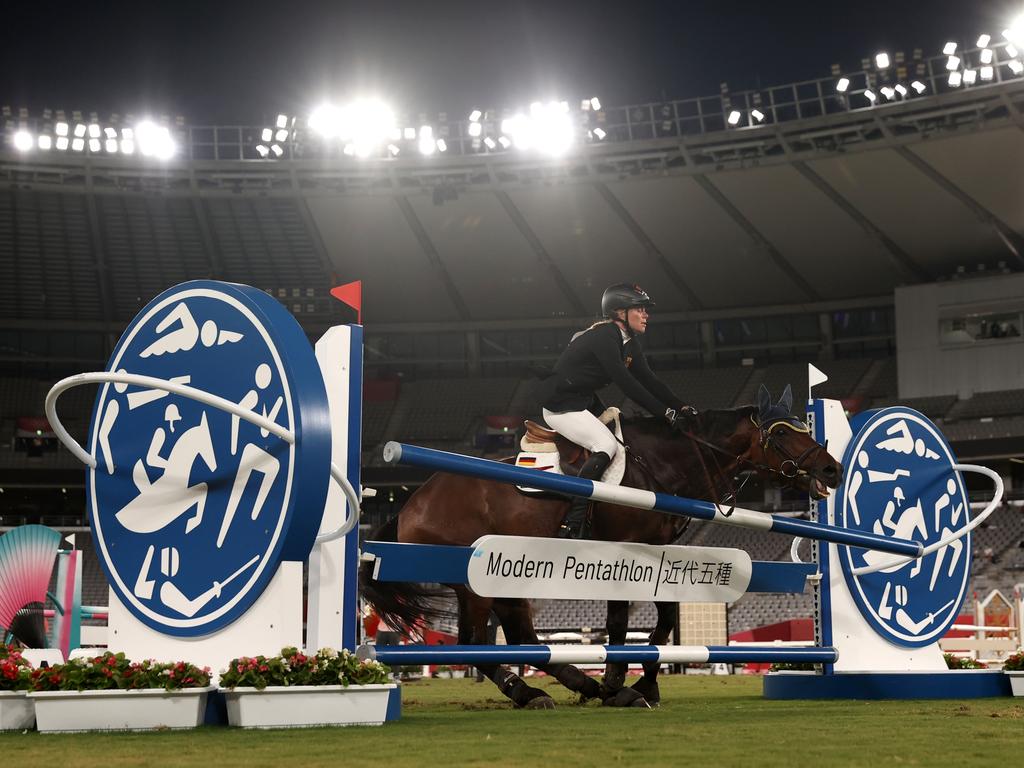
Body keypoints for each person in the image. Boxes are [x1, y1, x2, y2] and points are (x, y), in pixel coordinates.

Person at [539, 283, 694, 539]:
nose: (646, 315)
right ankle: (575, 520)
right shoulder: (605, 336)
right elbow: (627, 384)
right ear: (620, 312)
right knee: (606, 445)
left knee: (626, 437)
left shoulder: (629, 343)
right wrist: (664, 413)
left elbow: (650, 380)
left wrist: (681, 406)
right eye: (640, 310)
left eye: (646, 310)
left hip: (584, 400)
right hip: (560, 404)